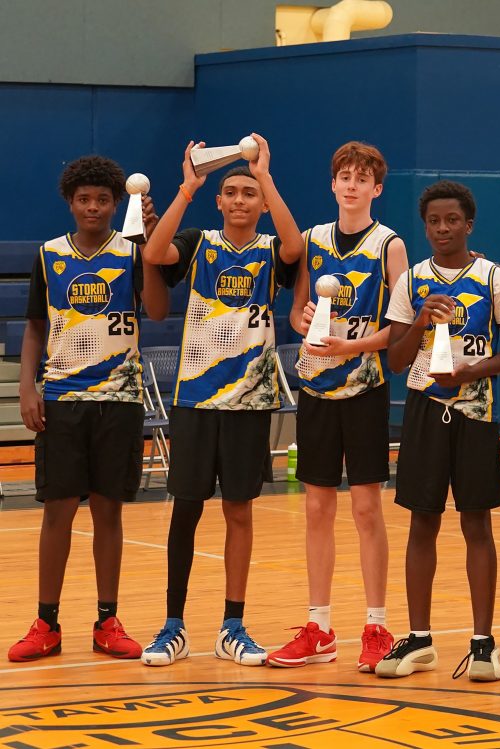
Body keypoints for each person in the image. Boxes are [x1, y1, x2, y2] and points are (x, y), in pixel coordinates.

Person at [139, 135, 302, 667]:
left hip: (250, 403)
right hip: (196, 401)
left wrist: (266, 175)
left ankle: (233, 624)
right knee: (184, 511)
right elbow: (154, 253)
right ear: (219, 200)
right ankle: (173, 624)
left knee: (239, 512)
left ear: (259, 202)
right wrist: (187, 188)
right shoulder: (198, 241)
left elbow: (296, 247)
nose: (238, 200)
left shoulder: (269, 253)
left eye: (247, 193)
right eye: (230, 192)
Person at [8, 155, 165, 662]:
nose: (93, 206)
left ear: (117, 204)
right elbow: (34, 326)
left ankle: (107, 619)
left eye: (102, 199)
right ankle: (46, 622)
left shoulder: (134, 252)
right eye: (84, 199)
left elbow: (159, 310)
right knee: (56, 512)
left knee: (108, 513)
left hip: (119, 399)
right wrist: (28, 387)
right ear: (70, 203)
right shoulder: (49, 254)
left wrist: (153, 246)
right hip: (61, 400)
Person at [268, 142, 408, 671]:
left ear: (376, 188)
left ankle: (376, 623)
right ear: (333, 185)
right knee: (317, 508)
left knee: (367, 509)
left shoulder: (389, 245)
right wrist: (303, 322)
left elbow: (400, 325)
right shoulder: (310, 240)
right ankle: (320, 627)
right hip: (317, 391)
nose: (351, 185)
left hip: (366, 388)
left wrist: (353, 346)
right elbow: (301, 310)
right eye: (343, 176)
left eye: (361, 178)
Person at [377, 180, 500, 682]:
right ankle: (420, 639)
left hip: (475, 416)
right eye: (434, 221)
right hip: (422, 413)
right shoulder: (411, 280)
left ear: (469, 224)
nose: (442, 228)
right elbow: (394, 360)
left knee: (476, 524)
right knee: (422, 522)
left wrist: (470, 372)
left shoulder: (493, 279)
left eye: (452, 220)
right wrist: (418, 321)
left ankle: (483, 643)